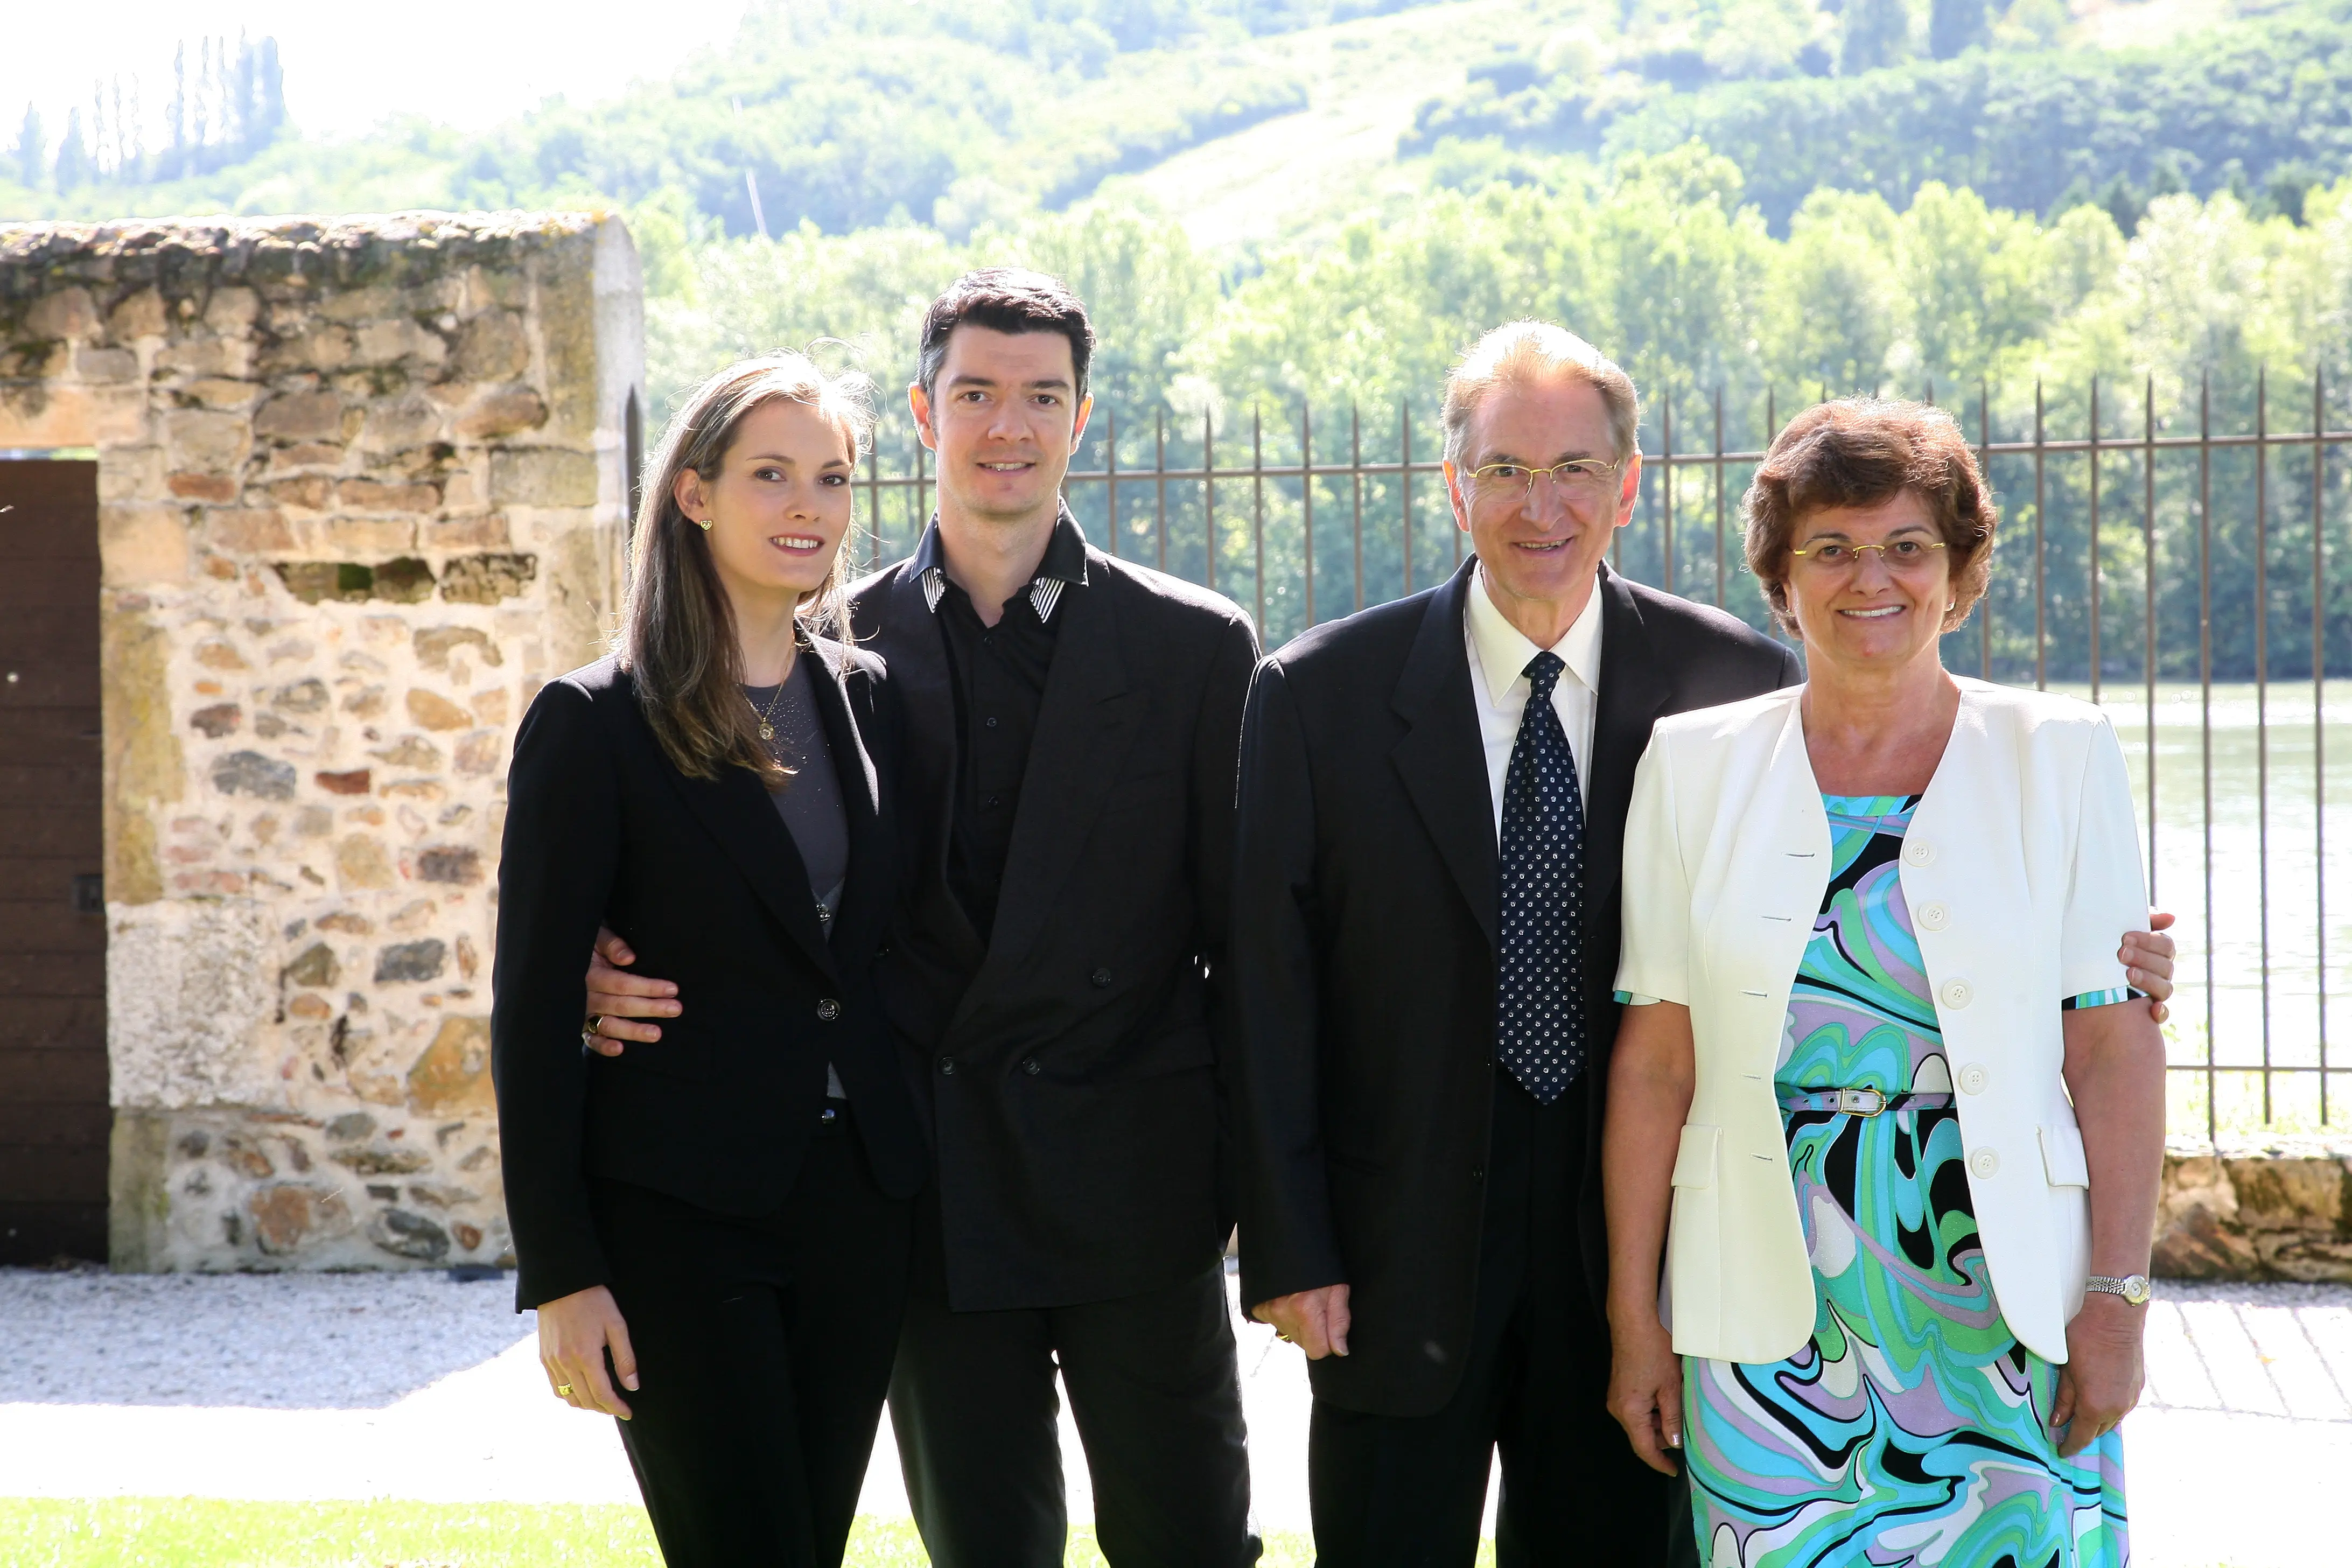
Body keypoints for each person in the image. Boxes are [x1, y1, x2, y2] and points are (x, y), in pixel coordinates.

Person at [1226, 324, 2177, 1566]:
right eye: (1505, 470)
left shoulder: (1726, 677)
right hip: (1429, 1250)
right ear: (1454, 484)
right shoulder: (1319, 694)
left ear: (1627, 485)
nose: (1540, 503)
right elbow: (1267, 989)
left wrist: (2118, 1278)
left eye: (1574, 467)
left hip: (1765, 1258)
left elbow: (2081, 1012)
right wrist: (1294, 1248)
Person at [583, 270, 1261, 1567]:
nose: (1009, 425)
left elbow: (1254, 945)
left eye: (1042, 396)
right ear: (923, 411)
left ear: (1083, 417)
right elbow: (717, 875)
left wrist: (1252, 1194)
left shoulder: (1197, 646)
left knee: (1192, 1547)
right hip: (929, 1194)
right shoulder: (826, 639)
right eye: (977, 394)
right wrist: (584, 963)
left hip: (1141, 1191)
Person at [1603, 397, 2166, 1568]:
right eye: (1833, 548)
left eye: (1909, 546)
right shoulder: (1691, 768)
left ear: (1958, 575)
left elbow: (2111, 1048)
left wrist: (2117, 1297)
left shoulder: (2062, 755)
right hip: (1767, 1297)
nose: (1874, 578)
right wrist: (1634, 1317)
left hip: (2002, 1291)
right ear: (1782, 574)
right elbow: (1658, 1060)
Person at [491, 353, 927, 1567]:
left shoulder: (871, 696)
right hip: (681, 1217)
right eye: (772, 475)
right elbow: (529, 1011)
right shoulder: (594, 721)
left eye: (832, 479)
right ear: (693, 494)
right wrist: (563, 1273)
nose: (809, 508)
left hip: (857, 1210)